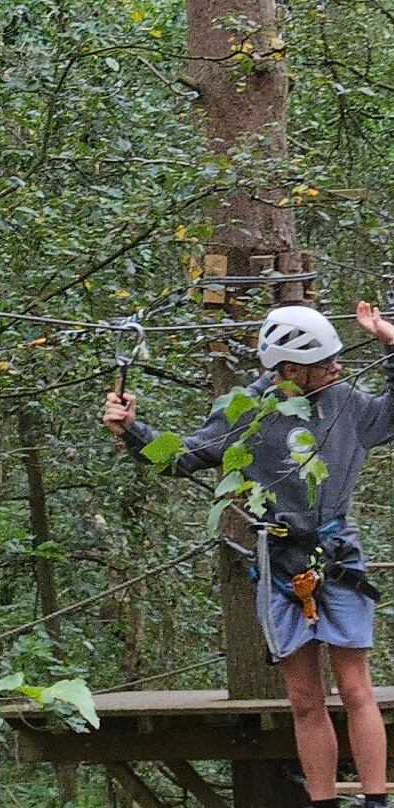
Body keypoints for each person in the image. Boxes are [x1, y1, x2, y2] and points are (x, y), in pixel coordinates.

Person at [103, 302, 394, 808]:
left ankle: (376, 801)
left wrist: (390, 344)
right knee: (304, 699)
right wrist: (131, 429)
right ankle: (323, 803)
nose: (337, 368)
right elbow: (184, 456)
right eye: (324, 363)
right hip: (280, 560)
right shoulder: (247, 410)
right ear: (290, 370)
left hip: (337, 555)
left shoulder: (346, 403)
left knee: (355, 689)